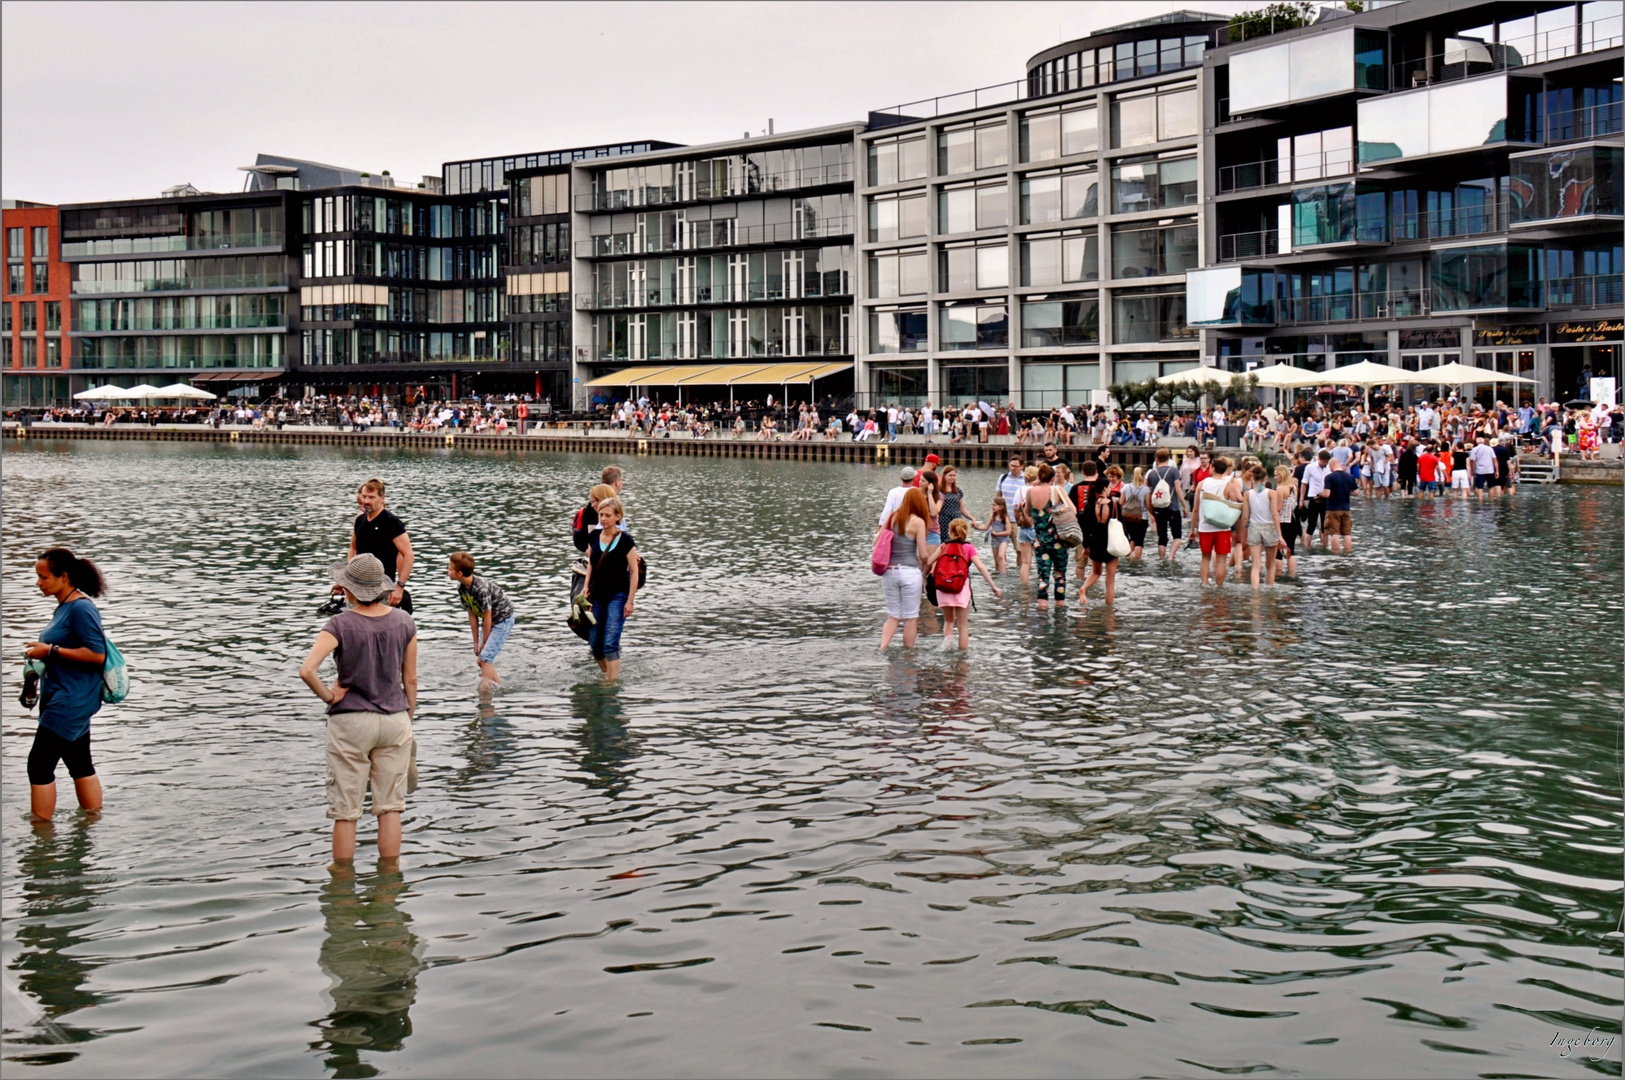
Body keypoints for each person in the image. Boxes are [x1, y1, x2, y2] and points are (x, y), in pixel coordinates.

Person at [299, 554, 418, 864]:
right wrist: (408, 718)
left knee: (347, 812)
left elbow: (307, 670)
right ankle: (389, 894)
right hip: (394, 719)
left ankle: (342, 897)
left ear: (349, 590)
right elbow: (411, 679)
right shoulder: (404, 621)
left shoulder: (339, 623)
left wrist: (330, 696)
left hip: (351, 722)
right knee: (390, 808)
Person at [23, 549, 109, 821]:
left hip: (71, 700)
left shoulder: (81, 608)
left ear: (64, 576)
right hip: (67, 696)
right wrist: (33, 680)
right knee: (79, 763)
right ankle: (93, 823)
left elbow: (97, 654)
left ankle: (41, 837)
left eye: (43, 577)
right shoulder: (65, 607)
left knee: (38, 766)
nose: (39, 583)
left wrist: (50, 650)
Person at [582, 496, 639, 680]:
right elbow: (591, 563)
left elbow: (634, 572)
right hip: (597, 595)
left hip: (618, 595)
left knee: (610, 642)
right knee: (595, 644)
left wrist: (630, 600)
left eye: (608, 515)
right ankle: (609, 674)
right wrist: (585, 587)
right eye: (601, 515)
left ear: (618, 517)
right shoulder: (593, 537)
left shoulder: (626, 541)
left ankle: (612, 684)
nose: (603, 519)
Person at [448, 551, 515, 688]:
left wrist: (484, 643)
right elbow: (472, 613)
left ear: (459, 573)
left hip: (502, 619)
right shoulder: (462, 588)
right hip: (488, 620)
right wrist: (476, 642)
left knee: (485, 658)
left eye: (449, 569)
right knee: (482, 660)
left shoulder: (481, 589)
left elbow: (488, 615)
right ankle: (498, 687)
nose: (447, 571)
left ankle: (484, 697)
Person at [934, 518, 1002, 649]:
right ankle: (962, 656)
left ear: (950, 531)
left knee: (948, 621)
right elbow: (981, 567)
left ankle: (947, 649)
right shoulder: (968, 547)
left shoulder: (944, 546)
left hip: (944, 588)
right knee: (963, 625)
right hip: (960, 588)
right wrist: (993, 586)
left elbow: (929, 561)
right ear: (966, 532)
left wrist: (924, 581)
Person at [879, 488, 933, 650]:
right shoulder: (918, 522)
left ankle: (883, 647)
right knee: (910, 618)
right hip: (910, 572)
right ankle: (908, 653)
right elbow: (923, 554)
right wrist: (932, 560)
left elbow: (877, 541)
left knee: (893, 615)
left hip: (889, 572)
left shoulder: (891, 517)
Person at [350, 479, 415, 613]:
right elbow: (353, 549)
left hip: (382, 588)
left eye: (372, 497)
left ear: (382, 498)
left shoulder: (392, 522)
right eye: (364, 496)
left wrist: (400, 586)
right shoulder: (359, 520)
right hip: (357, 587)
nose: (366, 501)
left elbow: (408, 554)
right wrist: (346, 579)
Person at [1079, 463, 1124, 604]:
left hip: (1095, 542)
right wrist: (1127, 546)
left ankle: (1083, 589)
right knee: (1110, 582)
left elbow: (1085, 529)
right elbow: (1122, 526)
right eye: (1109, 487)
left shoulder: (1089, 506)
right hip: (1110, 542)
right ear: (1105, 488)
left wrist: (1086, 547)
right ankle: (1109, 615)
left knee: (1096, 572)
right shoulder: (1114, 504)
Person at [1195, 457, 1243, 587]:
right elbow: (1235, 510)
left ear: (1213, 468)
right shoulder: (1229, 486)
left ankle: (1205, 584)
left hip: (1204, 527)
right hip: (1222, 528)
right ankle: (1219, 586)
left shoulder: (1201, 484)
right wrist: (1238, 530)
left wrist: (1192, 530)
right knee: (1221, 560)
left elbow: (1195, 509)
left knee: (1205, 558)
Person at [1026, 463, 1068, 611]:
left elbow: (1028, 514)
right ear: (1052, 478)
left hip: (1040, 541)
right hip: (1058, 541)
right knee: (1060, 576)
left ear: (1039, 477)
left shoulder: (1030, 491)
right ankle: (1060, 609)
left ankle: (1042, 612)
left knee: (1042, 577)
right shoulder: (1057, 490)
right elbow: (1073, 510)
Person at [1238, 464, 1283, 590]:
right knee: (1270, 565)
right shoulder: (1272, 493)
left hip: (1254, 528)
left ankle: (1255, 592)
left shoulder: (1247, 494)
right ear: (1266, 478)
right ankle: (1269, 590)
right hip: (1269, 527)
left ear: (1252, 478)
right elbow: (1275, 514)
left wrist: (1242, 534)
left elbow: (1245, 516)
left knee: (1255, 566)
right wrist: (1280, 535)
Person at [1146, 448, 1184, 561]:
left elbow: (1149, 494)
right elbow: (1178, 489)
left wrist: (1151, 511)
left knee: (1162, 537)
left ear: (1156, 459)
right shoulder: (1174, 471)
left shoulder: (1151, 473)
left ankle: (1162, 558)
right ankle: (1171, 557)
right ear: (1169, 458)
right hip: (1173, 508)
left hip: (1159, 508)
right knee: (1177, 536)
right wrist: (1184, 506)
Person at [1322, 456, 1358, 553]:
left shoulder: (1329, 477)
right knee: (1347, 533)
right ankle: (1348, 552)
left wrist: (1320, 494)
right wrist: (1346, 491)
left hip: (1333, 508)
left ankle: (1335, 553)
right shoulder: (1350, 476)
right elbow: (1357, 492)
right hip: (1346, 508)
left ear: (1331, 465)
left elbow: (1327, 494)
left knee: (1334, 533)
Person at [1273, 464, 1300, 578]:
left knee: (1279, 551)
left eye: (1276, 475)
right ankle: (1292, 573)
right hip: (1292, 520)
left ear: (1281, 475)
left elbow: (1278, 508)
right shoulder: (1294, 487)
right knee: (1291, 549)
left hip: (1283, 521)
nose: (1274, 478)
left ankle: (1278, 574)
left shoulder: (1280, 489)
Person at [1120, 466, 1150, 560]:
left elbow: (1121, 502)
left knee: (1132, 538)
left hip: (1127, 517)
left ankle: (1128, 556)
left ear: (1133, 475)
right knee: (1139, 541)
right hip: (1142, 517)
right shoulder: (1146, 489)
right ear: (1142, 475)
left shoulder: (1126, 487)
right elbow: (1148, 505)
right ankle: (1136, 559)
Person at [986, 494, 1013, 575]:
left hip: (1003, 540)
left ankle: (1004, 574)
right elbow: (985, 527)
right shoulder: (992, 516)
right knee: (997, 562)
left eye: (994, 505)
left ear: (1001, 507)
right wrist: (976, 527)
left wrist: (997, 534)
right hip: (994, 540)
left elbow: (1008, 532)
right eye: (992, 505)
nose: (992, 506)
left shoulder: (1005, 517)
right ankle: (998, 576)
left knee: (1001, 556)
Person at [1469, 435, 1499, 501]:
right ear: (1484, 442)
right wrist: (1497, 471)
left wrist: (1472, 470)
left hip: (1480, 470)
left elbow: (1472, 461)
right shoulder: (1490, 448)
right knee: (1491, 486)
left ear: (1476, 442)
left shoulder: (1474, 449)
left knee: (1480, 487)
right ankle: (1491, 500)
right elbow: (1494, 460)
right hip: (1490, 470)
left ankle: (1480, 500)